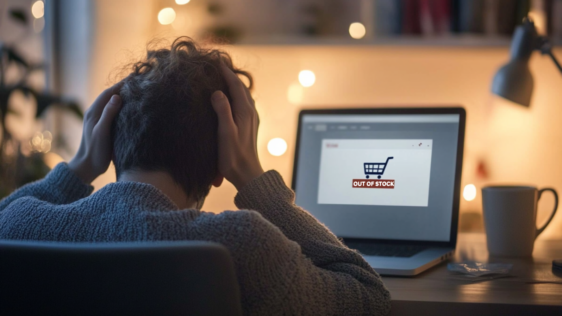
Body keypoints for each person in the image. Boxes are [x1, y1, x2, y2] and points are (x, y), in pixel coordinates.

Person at [0, 38, 391, 315]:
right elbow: (369, 296)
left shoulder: (20, 226)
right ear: (223, 162)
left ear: (106, 138)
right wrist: (256, 183)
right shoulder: (242, 245)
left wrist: (79, 166)